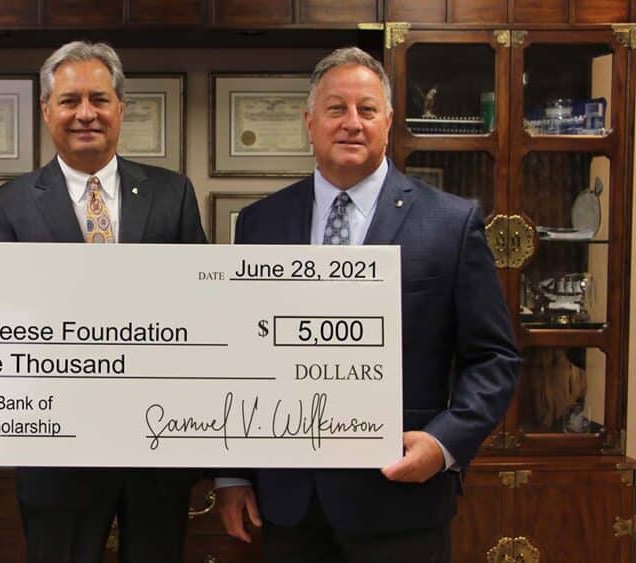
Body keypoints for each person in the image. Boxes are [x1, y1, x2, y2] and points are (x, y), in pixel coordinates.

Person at [215, 47, 521, 563]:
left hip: (402, 496)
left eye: (367, 109)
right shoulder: (260, 223)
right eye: (336, 109)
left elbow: (494, 358)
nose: (351, 123)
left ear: (388, 122)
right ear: (309, 123)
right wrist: (233, 473)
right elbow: (241, 357)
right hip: (290, 503)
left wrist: (444, 444)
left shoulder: (450, 223)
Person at [0, 41, 205, 563]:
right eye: (69, 100)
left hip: (156, 445)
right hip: (54, 449)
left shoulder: (172, 195)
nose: (86, 114)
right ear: (46, 111)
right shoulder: (5, 207)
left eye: (100, 100)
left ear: (121, 108)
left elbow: (199, 311)